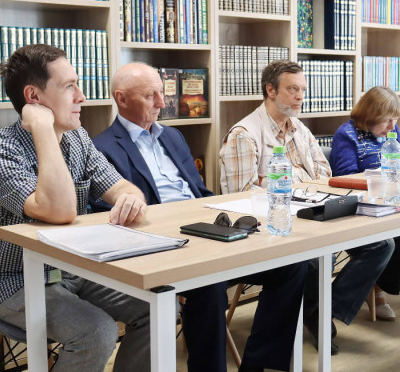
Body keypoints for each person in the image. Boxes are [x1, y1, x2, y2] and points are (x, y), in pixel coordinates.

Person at [90, 62, 307, 372]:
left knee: (292, 265)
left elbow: (201, 193)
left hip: (207, 232)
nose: (162, 103)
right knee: (209, 286)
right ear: (121, 99)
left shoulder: (173, 137)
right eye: (150, 96)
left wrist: (232, 216)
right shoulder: (102, 149)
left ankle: (257, 365)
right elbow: (112, 217)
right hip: (162, 244)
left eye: (162, 93)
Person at [219, 60, 395, 354]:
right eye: (292, 89)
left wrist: (277, 178)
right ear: (270, 90)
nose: (300, 96)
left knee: (382, 244)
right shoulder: (244, 133)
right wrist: (297, 179)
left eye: (303, 89)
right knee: (312, 258)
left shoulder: (299, 128)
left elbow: (325, 174)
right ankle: (315, 314)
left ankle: (322, 310)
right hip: (275, 225)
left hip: (312, 213)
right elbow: (241, 195)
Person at [0, 44, 152, 372]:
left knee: (155, 306)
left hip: (71, 270)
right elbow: (59, 210)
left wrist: (129, 198)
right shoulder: (4, 151)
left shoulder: (78, 139)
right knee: (97, 332)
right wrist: (42, 128)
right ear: (33, 97)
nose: (81, 96)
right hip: (15, 281)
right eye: (69, 86)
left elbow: (123, 188)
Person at [330, 86, 400, 321]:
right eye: (387, 120)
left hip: (389, 202)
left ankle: (380, 287)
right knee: (387, 241)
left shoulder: (392, 133)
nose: (392, 126)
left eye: (395, 120)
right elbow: (344, 179)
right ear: (371, 114)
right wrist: (378, 180)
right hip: (361, 208)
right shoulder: (347, 134)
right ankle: (376, 290)